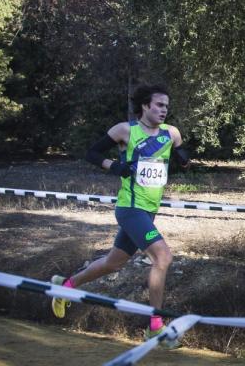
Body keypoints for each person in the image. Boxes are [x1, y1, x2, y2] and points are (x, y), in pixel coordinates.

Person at [51, 83, 190, 341]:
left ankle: (66, 285)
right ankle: (156, 326)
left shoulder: (171, 133)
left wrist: (183, 157)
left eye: (167, 106)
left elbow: (182, 153)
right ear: (145, 106)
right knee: (162, 258)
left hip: (149, 211)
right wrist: (114, 166)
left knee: (113, 263)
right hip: (130, 209)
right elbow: (91, 153)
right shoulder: (126, 130)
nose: (164, 110)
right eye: (159, 105)